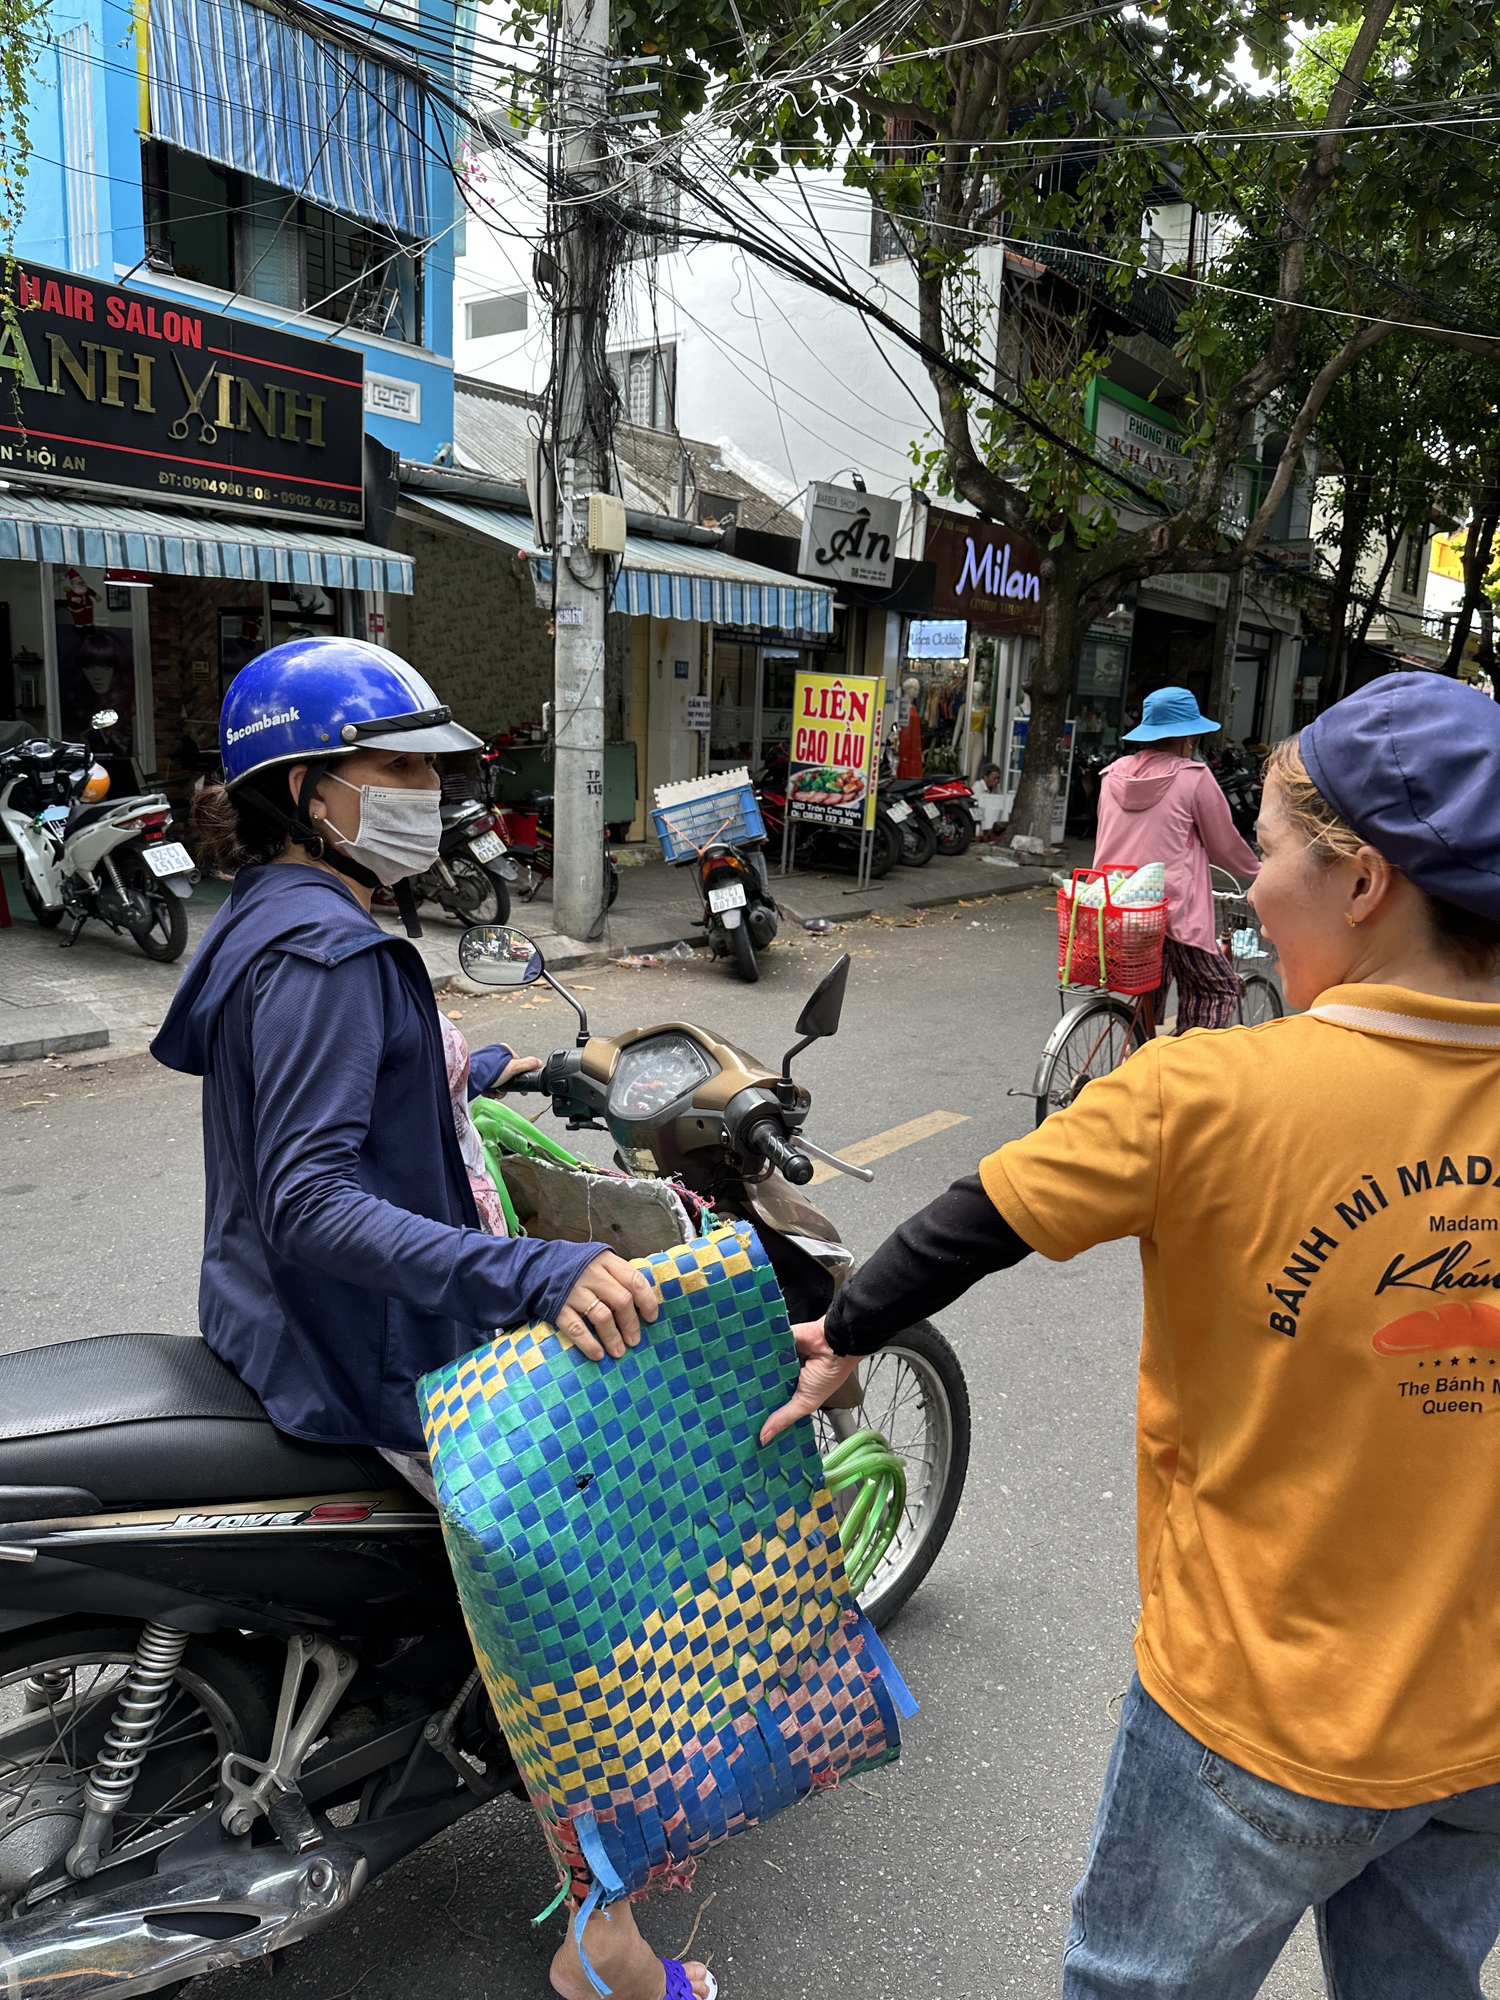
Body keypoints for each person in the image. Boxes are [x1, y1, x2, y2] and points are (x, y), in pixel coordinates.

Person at [764, 672, 1500, 1999]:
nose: (1251, 888)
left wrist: (852, 1326)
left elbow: (981, 1210)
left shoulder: (1205, 1092)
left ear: (1366, 882)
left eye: (1266, 850)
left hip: (1254, 1719)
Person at [152, 637, 713, 2000]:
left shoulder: (278, 922)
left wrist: (502, 1062)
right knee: (584, 1606)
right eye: (395, 767)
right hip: (361, 1348)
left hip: (277, 1322)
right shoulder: (329, 954)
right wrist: (539, 1277)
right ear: (303, 788)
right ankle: (608, 1948)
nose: (426, 791)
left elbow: (346, 1085)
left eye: (429, 768)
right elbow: (313, 1200)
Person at [1092, 684, 1260, 1031]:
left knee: (1149, 991)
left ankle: (1136, 1066)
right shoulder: (1193, 778)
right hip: (1171, 909)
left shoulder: (1111, 775)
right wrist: (1260, 871)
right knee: (1217, 990)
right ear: (1191, 736)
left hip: (1112, 906)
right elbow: (1224, 846)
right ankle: (1185, 1074)